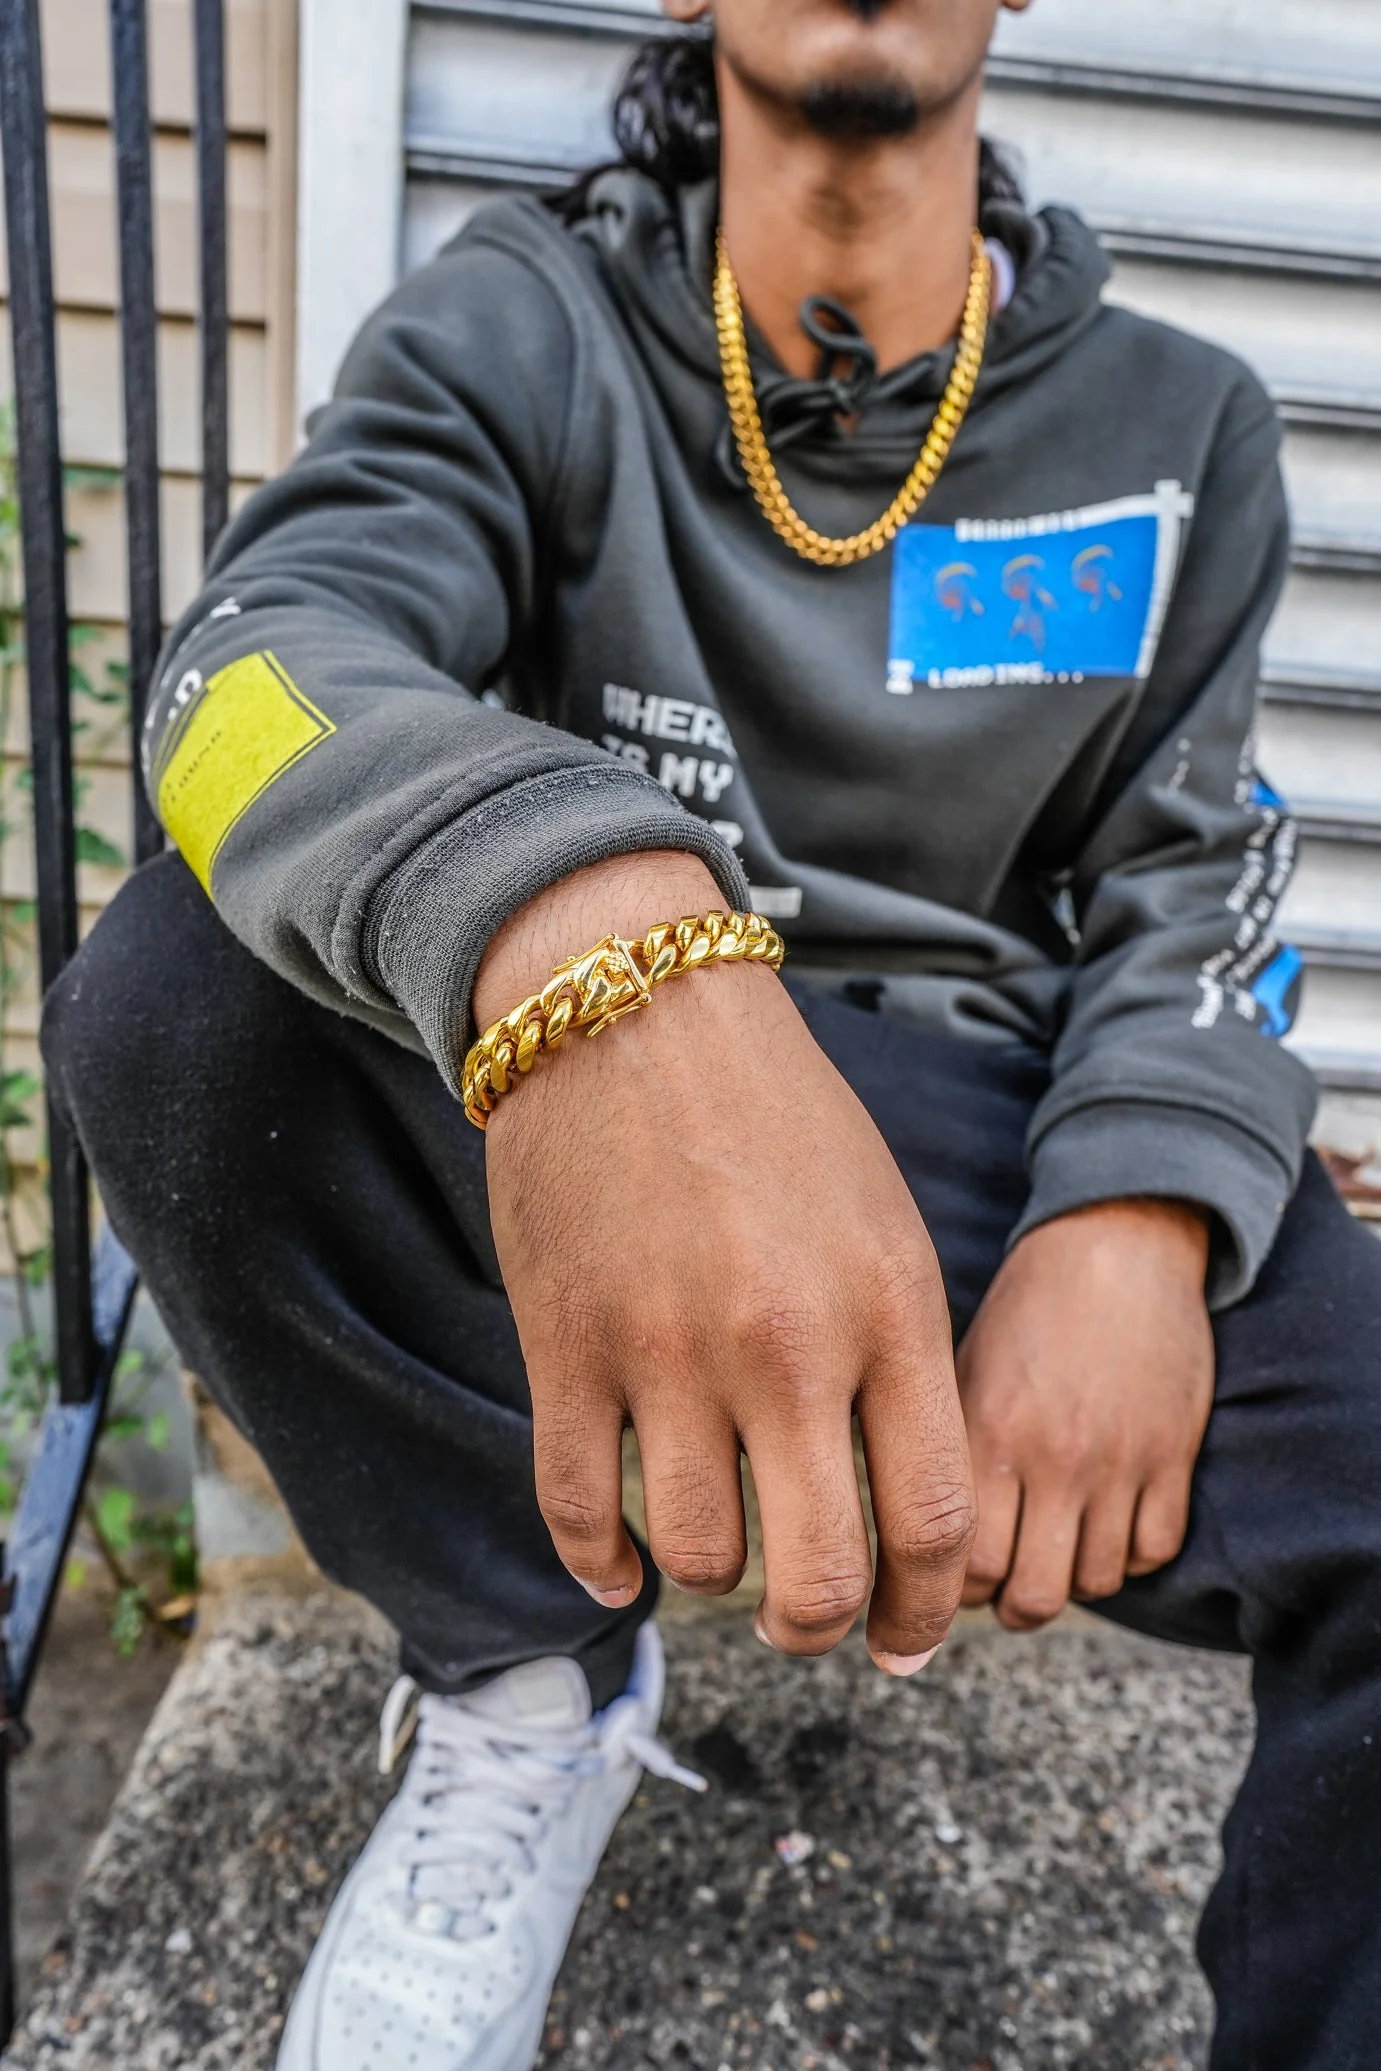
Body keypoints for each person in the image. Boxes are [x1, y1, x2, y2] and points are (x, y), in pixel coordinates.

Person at [41, 0, 1381, 2065]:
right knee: (170, 991)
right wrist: (591, 923)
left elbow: (1195, 868)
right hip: (593, 1095)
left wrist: (1143, 1203)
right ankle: (523, 1675)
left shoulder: (1179, 419)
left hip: (986, 1120)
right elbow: (252, 670)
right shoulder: (529, 319)